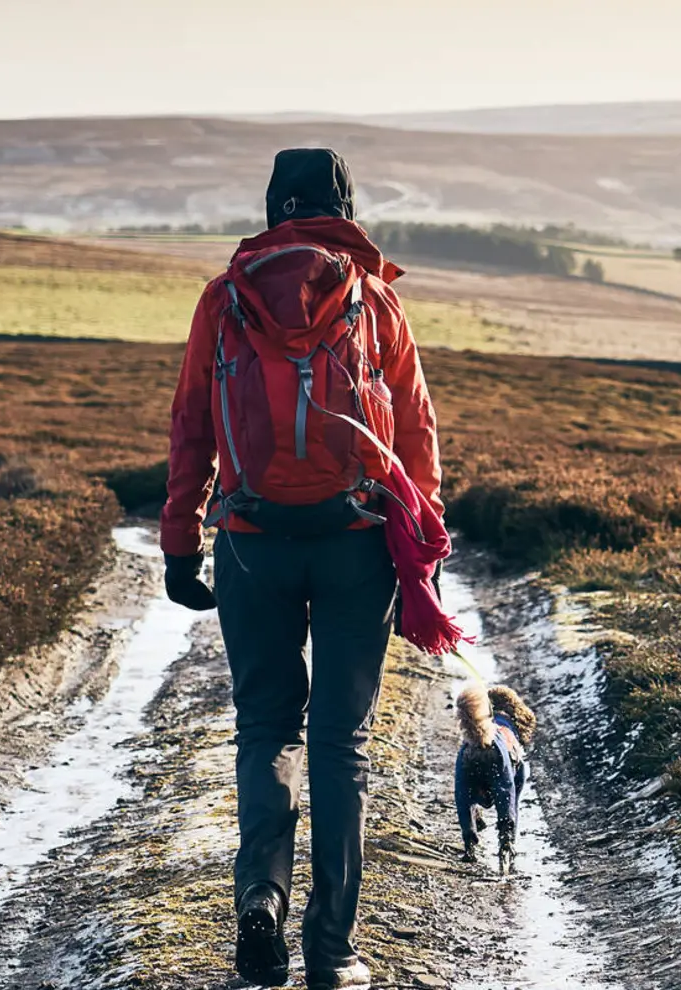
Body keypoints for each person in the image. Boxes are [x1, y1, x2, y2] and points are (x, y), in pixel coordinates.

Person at [159, 148, 446, 990]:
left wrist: (181, 544)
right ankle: (332, 949)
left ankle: (261, 905)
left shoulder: (225, 296)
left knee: (266, 729)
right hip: (357, 539)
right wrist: (422, 550)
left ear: (275, 206)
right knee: (341, 745)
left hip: (251, 539)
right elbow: (418, 436)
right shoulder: (374, 299)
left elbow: (190, 427)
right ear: (344, 208)